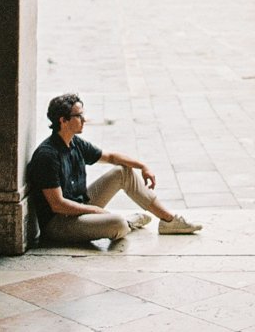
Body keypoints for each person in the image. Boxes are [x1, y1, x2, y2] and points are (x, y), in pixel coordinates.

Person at [27, 93, 203, 243]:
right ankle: (128, 223)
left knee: (122, 172)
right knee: (117, 223)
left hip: (79, 208)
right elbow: (58, 205)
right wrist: (95, 210)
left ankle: (169, 220)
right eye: (78, 116)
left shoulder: (74, 142)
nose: (84, 119)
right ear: (63, 120)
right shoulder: (47, 155)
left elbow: (111, 157)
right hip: (59, 224)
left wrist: (143, 166)